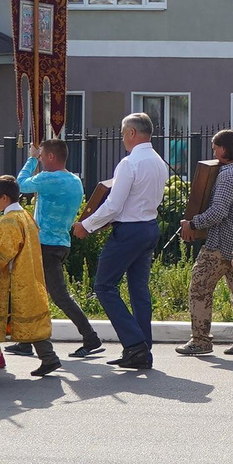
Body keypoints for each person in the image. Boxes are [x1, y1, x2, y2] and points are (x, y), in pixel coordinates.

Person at [78, 115, 167, 372]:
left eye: (121, 132)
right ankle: (142, 348)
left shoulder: (129, 163)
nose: (121, 137)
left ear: (130, 133)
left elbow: (114, 205)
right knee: (139, 290)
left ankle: (135, 344)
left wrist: (87, 225)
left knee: (104, 286)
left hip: (129, 230)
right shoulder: (158, 162)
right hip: (149, 227)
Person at [176, 130, 233, 357]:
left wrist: (192, 224)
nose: (214, 152)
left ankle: (200, 340)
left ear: (224, 148)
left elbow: (218, 212)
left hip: (219, 246)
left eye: (215, 147)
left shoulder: (227, 175)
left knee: (200, 288)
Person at [16, 140, 103, 356]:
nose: (41, 160)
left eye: (43, 156)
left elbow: (19, 185)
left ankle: (91, 338)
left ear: (51, 157)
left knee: (58, 295)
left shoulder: (49, 178)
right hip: (61, 242)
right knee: (33, 292)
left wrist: (31, 158)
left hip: (45, 244)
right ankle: (27, 341)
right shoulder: (74, 180)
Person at [0, 176, 61, 378]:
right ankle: (49, 358)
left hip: (13, 280)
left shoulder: (9, 220)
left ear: (4, 197)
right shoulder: (25, 216)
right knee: (27, 321)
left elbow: (6, 252)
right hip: (28, 277)